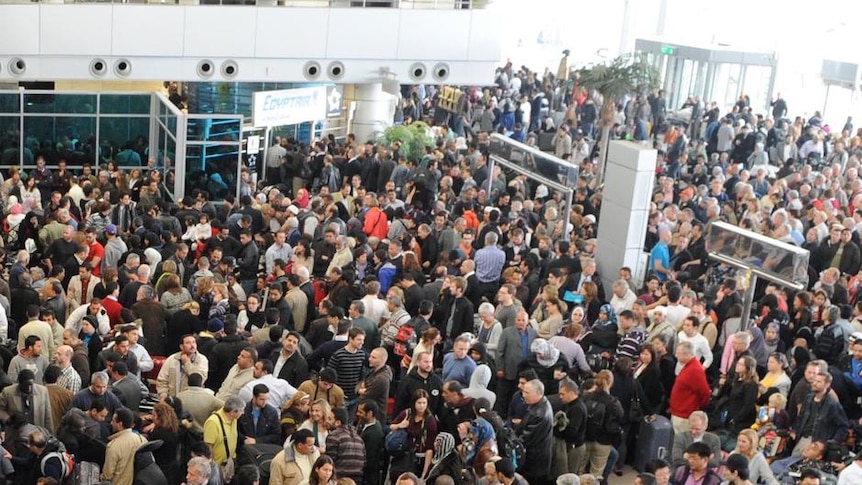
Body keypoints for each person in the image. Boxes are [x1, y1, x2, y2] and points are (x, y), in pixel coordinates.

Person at [580, 370, 623, 478]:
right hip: (603, 441)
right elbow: (621, 416)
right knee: (596, 473)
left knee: (579, 469)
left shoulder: (585, 397)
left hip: (585, 438)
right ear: (611, 383)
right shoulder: (613, 402)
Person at [390, 389, 439, 480]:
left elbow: (429, 448)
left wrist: (425, 473)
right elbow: (391, 426)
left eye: (424, 403)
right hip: (402, 454)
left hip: (419, 458)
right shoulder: (407, 414)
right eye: (419, 403)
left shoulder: (430, 420)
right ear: (414, 403)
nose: (422, 406)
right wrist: (400, 425)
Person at [0, 370, 54, 446]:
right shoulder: (8, 392)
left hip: (37, 435)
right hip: (15, 436)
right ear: (19, 383)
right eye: (26, 385)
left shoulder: (42, 391)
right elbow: (1, 409)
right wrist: (9, 419)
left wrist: (50, 435)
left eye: (31, 385)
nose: (29, 388)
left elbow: (48, 415)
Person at [516, 379, 554, 485]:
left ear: (538, 393)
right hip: (534, 459)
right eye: (523, 392)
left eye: (527, 392)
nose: (523, 395)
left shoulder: (540, 414)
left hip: (535, 463)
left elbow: (526, 439)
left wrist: (512, 443)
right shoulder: (538, 405)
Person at [669, 341, 711, 434]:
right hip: (678, 412)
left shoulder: (695, 370)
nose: (676, 355)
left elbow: (705, 392)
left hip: (684, 414)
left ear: (687, 354)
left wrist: (697, 407)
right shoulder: (689, 366)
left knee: (680, 441)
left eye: (678, 353)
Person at [102, 407, 147, 485]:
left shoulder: (113, 446)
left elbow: (107, 476)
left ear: (120, 424)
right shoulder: (142, 439)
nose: (111, 423)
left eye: (113, 421)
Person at [156, 334, 209, 398]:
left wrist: (187, 363)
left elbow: (199, 380)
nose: (192, 345)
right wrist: (163, 397)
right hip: (172, 400)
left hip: (192, 400)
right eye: (188, 343)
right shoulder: (172, 359)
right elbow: (162, 381)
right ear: (181, 346)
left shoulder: (202, 359)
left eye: (194, 342)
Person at [553, 377, 588, 477]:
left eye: (562, 394)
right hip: (571, 446)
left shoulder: (577, 408)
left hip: (574, 448)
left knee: (570, 476)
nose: (560, 397)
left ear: (571, 393)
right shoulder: (569, 405)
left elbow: (572, 431)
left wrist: (557, 431)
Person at [203, 396, 245, 476]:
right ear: (233, 412)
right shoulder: (213, 422)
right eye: (241, 410)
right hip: (217, 467)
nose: (243, 413)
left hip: (229, 462)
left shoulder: (234, 419)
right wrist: (212, 468)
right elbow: (208, 447)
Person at [324, 408, 365, 484]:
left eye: (330, 419)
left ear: (338, 422)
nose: (326, 421)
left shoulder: (334, 436)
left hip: (341, 478)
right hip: (358, 478)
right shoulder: (358, 438)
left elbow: (330, 461)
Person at [356, 400, 384, 485]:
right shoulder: (365, 424)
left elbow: (370, 457)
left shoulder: (373, 433)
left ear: (370, 413)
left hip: (368, 474)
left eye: (361, 412)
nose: (358, 414)